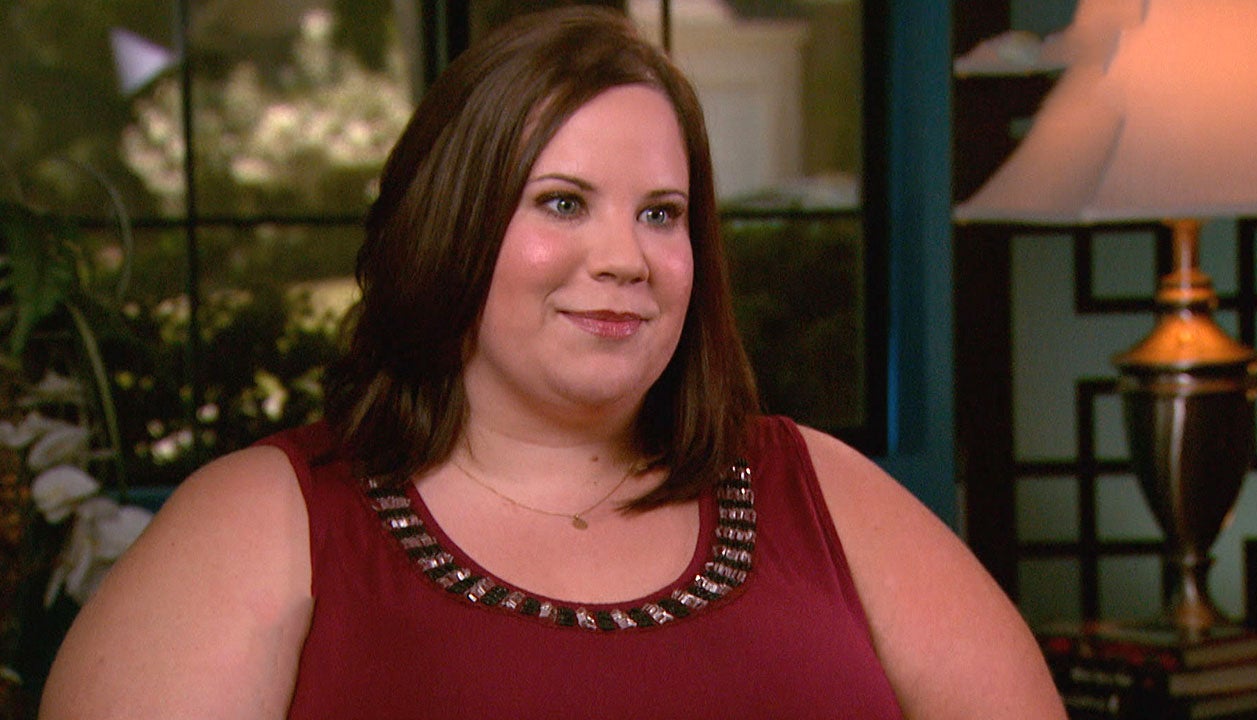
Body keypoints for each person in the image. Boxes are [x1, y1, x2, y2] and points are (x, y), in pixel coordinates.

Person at [40, 7, 1067, 719]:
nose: (625, 259)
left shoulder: (823, 492)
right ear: (450, 227)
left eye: (660, 214)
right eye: (563, 203)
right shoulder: (259, 523)